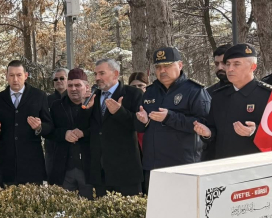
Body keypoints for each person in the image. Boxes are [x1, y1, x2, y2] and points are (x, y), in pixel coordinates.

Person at [136, 47, 211, 192]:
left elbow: (204, 124)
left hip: (182, 166)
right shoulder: (150, 92)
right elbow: (140, 127)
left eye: (167, 65)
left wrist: (170, 117)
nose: (162, 70)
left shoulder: (195, 90)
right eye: (158, 67)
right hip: (154, 166)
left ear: (180, 65)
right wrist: (143, 121)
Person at [194, 44, 272, 159]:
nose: (230, 69)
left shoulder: (268, 95)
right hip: (224, 163)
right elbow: (214, 131)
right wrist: (208, 133)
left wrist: (254, 132)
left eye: (236, 64)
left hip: (255, 165)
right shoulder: (218, 95)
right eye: (228, 64)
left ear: (253, 66)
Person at [79, 58, 143, 197]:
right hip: (100, 172)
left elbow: (140, 125)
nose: (97, 78)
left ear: (115, 74)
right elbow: (84, 127)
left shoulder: (133, 94)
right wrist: (86, 109)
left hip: (125, 172)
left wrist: (120, 112)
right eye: (95, 74)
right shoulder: (94, 96)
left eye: (102, 73)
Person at [0, 60, 52, 186]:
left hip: (32, 164)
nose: (15, 79)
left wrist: (39, 127)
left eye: (19, 75)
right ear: (6, 76)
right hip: (7, 165)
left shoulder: (39, 96)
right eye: (11, 75)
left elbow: (49, 126)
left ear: (26, 75)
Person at [46, 69, 93, 199]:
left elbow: (101, 130)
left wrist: (84, 133)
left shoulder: (95, 105)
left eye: (77, 85)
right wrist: (64, 134)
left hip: (89, 169)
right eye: (70, 85)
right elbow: (49, 131)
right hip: (64, 169)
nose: (73, 89)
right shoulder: (57, 106)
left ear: (86, 87)